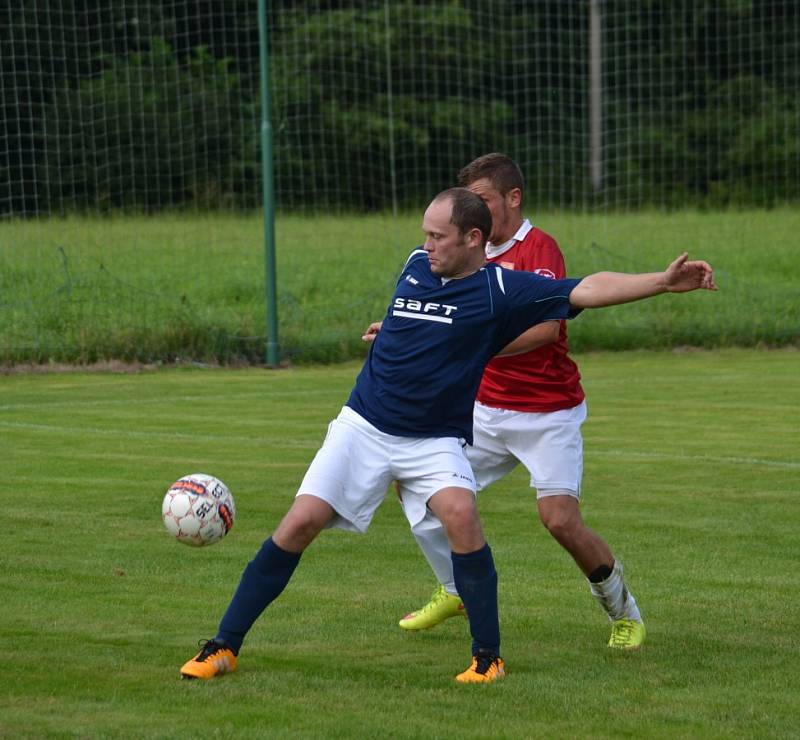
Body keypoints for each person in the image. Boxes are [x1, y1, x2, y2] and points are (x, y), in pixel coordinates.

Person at [181, 187, 716, 684]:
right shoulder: (418, 266)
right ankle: (223, 646)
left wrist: (661, 282)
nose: (426, 244)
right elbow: (418, 322)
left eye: (438, 236)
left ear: (473, 239)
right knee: (299, 522)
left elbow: (586, 289)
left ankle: (488, 658)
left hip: (434, 438)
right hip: (362, 425)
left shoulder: (501, 290)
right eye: (425, 232)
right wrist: (390, 327)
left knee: (461, 515)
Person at [366, 154, 667, 650]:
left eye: (482, 200)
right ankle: (453, 589)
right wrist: (403, 332)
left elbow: (549, 327)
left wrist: (472, 344)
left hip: (547, 413)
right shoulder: (461, 254)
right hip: (482, 411)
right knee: (413, 485)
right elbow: (436, 313)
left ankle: (624, 613)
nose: (473, 212)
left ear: (512, 198)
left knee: (560, 521)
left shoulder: (538, 248)